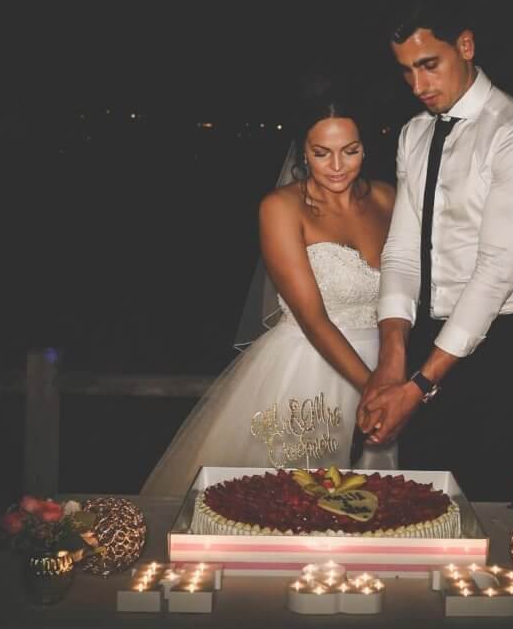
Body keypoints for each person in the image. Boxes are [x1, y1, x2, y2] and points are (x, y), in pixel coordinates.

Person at [357, 0, 513, 502]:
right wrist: (392, 358)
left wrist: (417, 388)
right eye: (406, 71)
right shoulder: (415, 133)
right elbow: (402, 250)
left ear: (466, 46)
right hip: (430, 342)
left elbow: (495, 274)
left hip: (506, 348)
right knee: (427, 516)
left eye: (429, 65)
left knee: (497, 524)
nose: (418, 86)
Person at [141, 93, 398, 498]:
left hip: (385, 365)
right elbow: (312, 318)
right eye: (321, 153)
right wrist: (380, 394)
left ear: (366, 147)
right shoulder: (281, 207)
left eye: (350, 151)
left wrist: (393, 380)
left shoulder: (388, 198)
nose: (336, 166)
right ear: (303, 152)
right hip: (309, 371)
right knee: (291, 506)